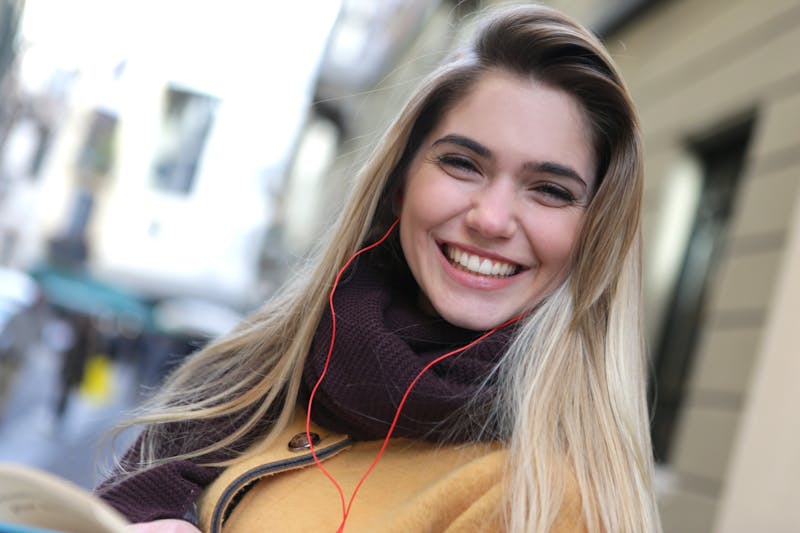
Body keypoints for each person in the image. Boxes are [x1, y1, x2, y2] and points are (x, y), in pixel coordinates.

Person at [98, 4, 662, 532]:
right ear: (400, 184)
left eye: (549, 190)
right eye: (463, 164)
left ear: (594, 236)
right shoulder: (260, 373)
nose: (490, 219)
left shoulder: (545, 498)